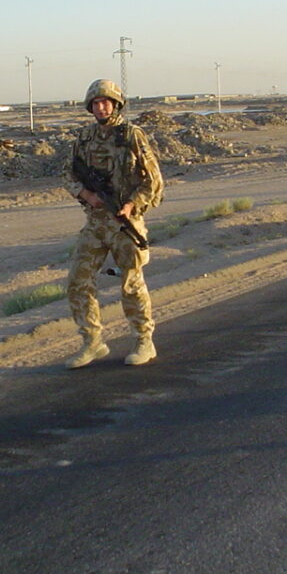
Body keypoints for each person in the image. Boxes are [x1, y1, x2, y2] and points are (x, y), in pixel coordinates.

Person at [63, 79, 164, 368]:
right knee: (77, 282)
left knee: (131, 283)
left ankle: (144, 340)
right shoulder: (85, 138)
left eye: (106, 102)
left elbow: (153, 181)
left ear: (116, 104)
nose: (101, 107)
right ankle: (92, 342)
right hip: (96, 223)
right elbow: (68, 174)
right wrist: (86, 195)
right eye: (96, 103)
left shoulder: (132, 135)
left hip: (124, 222)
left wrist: (131, 205)